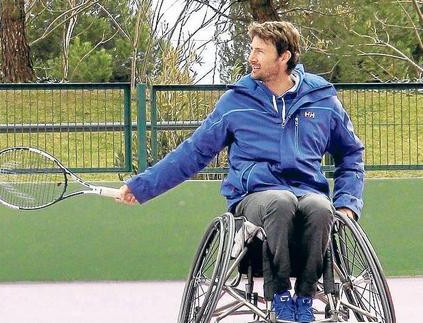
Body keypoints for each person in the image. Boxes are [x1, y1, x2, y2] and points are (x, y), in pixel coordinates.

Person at [116, 21, 364, 322]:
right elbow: (194, 152)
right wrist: (142, 187)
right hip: (254, 197)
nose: (252, 57)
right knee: (280, 201)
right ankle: (280, 294)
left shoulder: (323, 100)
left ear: (284, 57)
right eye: (251, 49)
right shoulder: (235, 102)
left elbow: (351, 152)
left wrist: (347, 202)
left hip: (307, 193)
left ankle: (304, 297)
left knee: (321, 208)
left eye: (260, 51)